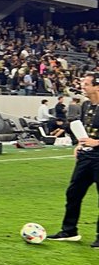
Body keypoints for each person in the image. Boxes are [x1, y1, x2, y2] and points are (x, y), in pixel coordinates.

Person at [49, 73, 99, 247]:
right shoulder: (85, 106)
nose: (82, 87)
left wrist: (97, 142)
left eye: (86, 84)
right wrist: (80, 144)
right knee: (73, 192)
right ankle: (69, 230)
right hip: (86, 156)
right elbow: (86, 130)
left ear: (97, 86)